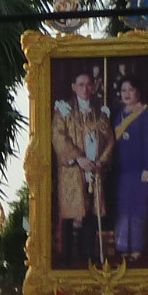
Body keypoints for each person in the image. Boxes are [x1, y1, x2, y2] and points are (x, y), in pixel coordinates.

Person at [51, 66, 111, 268]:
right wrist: (79, 158)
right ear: (74, 87)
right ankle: (66, 257)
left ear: (93, 88)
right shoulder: (64, 111)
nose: (85, 89)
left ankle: (88, 255)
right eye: (81, 85)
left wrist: (101, 161)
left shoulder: (99, 113)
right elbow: (59, 138)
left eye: (88, 85)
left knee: (92, 214)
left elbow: (109, 140)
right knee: (71, 213)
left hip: (94, 169)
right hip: (73, 170)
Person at [109, 70, 148, 266]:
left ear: (138, 92)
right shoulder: (118, 115)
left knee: (138, 208)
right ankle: (123, 247)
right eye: (123, 90)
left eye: (130, 90)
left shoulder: (147, 114)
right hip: (122, 171)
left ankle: (136, 248)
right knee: (123, 208)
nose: (127, 94)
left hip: (140, 171)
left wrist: (147, 167)